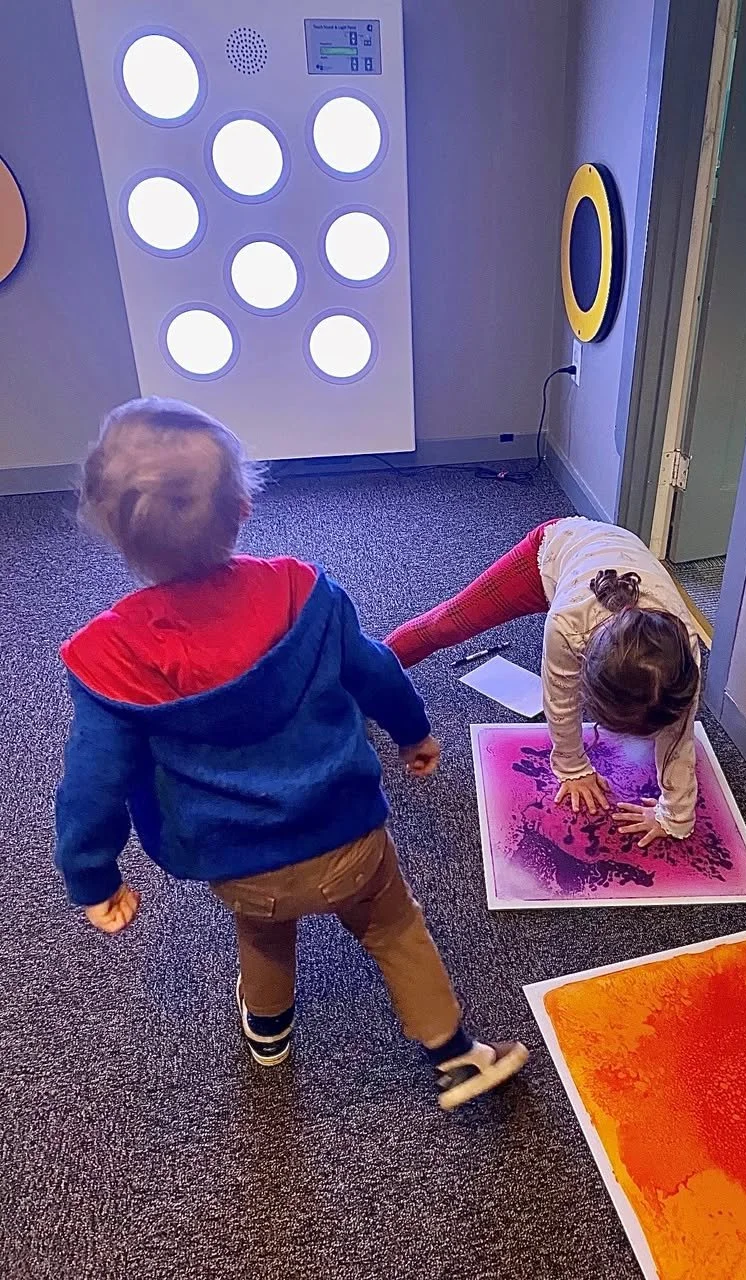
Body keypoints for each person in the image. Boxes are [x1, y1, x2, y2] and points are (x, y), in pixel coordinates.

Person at [54, 396, 527, 1109]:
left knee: (265, 934)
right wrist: (414, 733)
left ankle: (269, 1030)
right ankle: (456, 1055)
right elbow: (376, 671)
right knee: (396, 926)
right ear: (243, 506)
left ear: (116, 539)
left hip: (241, 864)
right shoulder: (303, 593)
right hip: (351, 837)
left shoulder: (112, 657)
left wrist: (92, 879)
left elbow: (91, 782)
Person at [387, 518, 701, 846]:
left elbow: (679, 733)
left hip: (614, 563)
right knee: (446, 626)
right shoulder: (568, 627)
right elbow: (561, 700)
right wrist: (573, 767)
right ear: (587, 677)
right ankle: (356, 670)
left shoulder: (682, 648)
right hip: (557, 550)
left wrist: (675, 817)